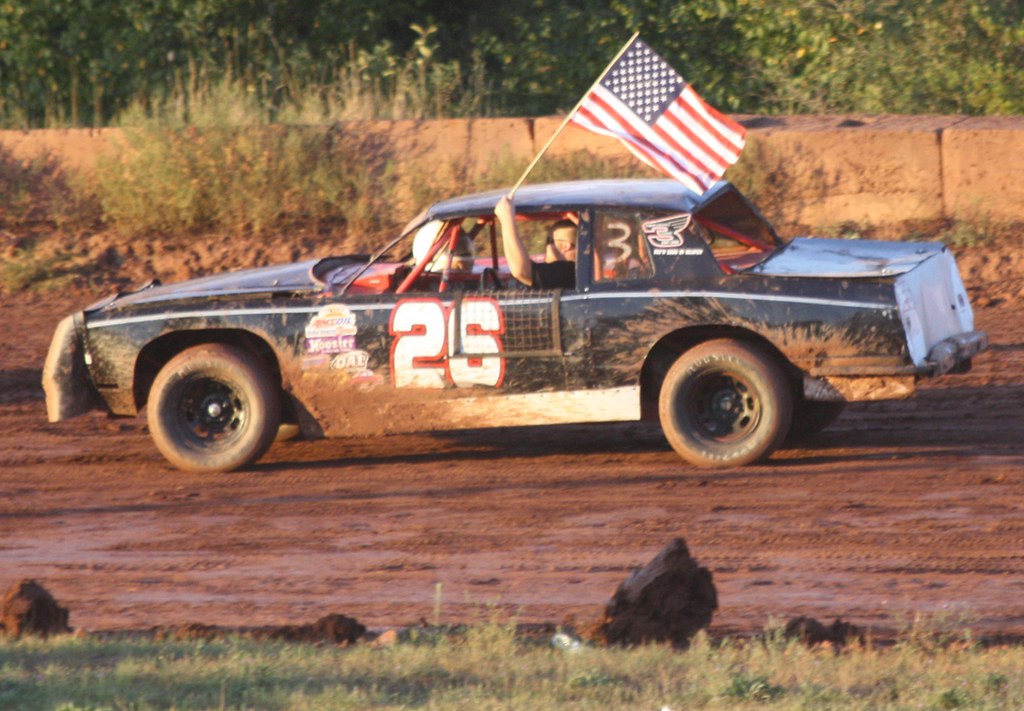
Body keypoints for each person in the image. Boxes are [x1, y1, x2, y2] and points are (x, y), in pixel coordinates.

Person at [494, 195, 576, 289]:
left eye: (550, 240)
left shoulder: (568, 271)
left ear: (566, 246)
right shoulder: (584, 271)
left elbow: (522, 271)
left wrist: (506, 218)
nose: (547, 246)